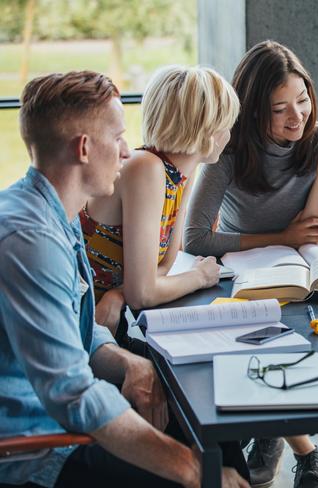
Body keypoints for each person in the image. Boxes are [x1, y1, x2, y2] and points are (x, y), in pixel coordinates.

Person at [0, 71, 248, 487]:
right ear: (84, 148)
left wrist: (128, 361)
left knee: (208, 433)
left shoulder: (53, 211)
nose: (126, 151)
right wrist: (191, 470)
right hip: (36, 447)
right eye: (117, 137)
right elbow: (74, 394)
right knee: (203, 459)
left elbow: (77, 332)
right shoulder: (30, 240)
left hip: (59, 421)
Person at [184, 40, 318, 488]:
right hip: (249, 276)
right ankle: (304, 448)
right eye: (280, 109)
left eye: (303, 100)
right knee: (255, 344)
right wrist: (282, 237)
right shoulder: (231, 149)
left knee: (303, 340)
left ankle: (273, 434)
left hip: (306, 273)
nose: (297, 116)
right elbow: (196, 237)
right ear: (255, 110)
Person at [80, 65, 239, 343]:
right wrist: (199, 277)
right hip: (81, 323)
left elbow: (165, 263)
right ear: (208, 129)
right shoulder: (146, 168)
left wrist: (120, 293)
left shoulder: (180, 174)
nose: (229, 133)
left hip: (107, 319)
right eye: (226, 122)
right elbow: (143, 293)